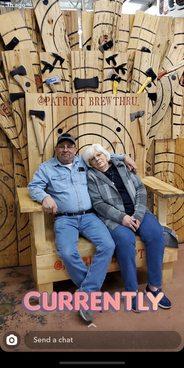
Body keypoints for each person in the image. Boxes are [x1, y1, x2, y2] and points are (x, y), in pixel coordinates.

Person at [28, 133, 137, 323]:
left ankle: (85, 293)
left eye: (70, 146)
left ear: (75, 149)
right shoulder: (47, 168)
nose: (66, 150)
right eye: (62, 146)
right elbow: (33, 186)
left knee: (108, 245)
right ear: (56, 149)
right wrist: (44, 197)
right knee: (67, 252)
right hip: (64, 219)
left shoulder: (83, 162)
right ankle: (90, 291)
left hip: (89, 216)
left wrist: (124, 157)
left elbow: (103, 156)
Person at [82, 143, 172, 312]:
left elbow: (140, 189)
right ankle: (132, 292)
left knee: (156, 235)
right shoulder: (91, 176)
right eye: (93, 159)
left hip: (137, 212)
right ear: (90, 164)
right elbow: (98, 204)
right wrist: (122, 217)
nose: (97, 160)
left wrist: (137, 215)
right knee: (125, 242)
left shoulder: (123, 165)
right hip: (114, 219)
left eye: (99, 155)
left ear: (105, 155)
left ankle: (154, 288)